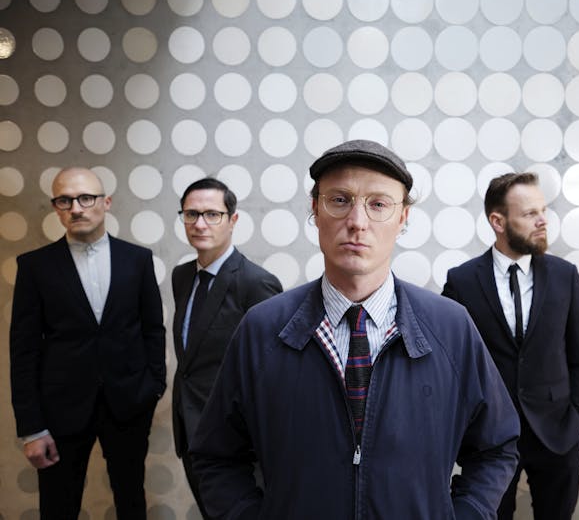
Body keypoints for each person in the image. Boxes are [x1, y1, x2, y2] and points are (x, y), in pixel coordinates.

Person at [189, 139, 519, 519]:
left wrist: (468, 514)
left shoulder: (451, 328)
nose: (357, 222)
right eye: (340, 200)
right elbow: (216, 456)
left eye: (378, 204)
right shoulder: (262, 329)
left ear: (403, 217)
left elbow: (497, 445)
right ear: (315, 210)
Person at [9, 167, 166, 519]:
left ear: (106, 202)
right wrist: (31, 428)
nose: (76, 208)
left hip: (129, 405)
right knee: (58, 508)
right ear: (56, 207)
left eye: (85, 198)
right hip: (60, 410)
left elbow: (153, 330)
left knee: (131, 502)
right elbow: (23, 350)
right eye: (65, 200)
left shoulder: (138, 260)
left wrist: (153, 386)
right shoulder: (34, 266)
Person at [442, 172, 579, 520]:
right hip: (488, 439)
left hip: (558, 434)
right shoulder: (462, 281)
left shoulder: (565, 275)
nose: (543, 221)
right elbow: (450, 364)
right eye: (530, 213)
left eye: (543, 210)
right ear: (498, 221)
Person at [172, 177, 282, 517]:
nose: (200, 224)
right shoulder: (182, 276)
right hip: (190, 430)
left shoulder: (255, 282)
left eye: (212, 214)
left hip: (235, 440)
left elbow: (272, 371)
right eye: (191, 214)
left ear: (232, 220)